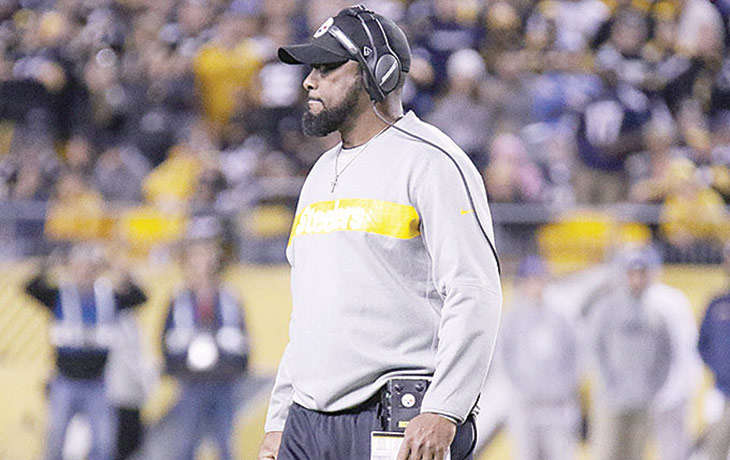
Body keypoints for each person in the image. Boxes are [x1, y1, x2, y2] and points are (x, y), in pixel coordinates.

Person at [258, 5, 502, 460]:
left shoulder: (432, 161)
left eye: (328, 67)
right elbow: (308, 313)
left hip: (393, 417)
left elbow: (474, 290)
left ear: (379, 72)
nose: (309, 81)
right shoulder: (318, 174)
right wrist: (279, 419)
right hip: (307, 422)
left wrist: (446, 407)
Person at [23, 243, 147, 460]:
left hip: (98, 384)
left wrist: (118, 269)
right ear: (71, 268)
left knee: (102, 443)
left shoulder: (108, 297)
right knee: (56, 440)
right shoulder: (60, 296)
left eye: (90, 267)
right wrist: (49, 264)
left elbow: (140, 296)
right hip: (65, 382)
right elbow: (30, 287)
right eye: (79, 266)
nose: (84, 272)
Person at [162, 231, 249, 460]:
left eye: (206, 255)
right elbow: (165, 338)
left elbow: (243, 337)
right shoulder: (179, 299)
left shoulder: (229, 297)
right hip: (191, 382)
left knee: (225, 445)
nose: (202, 263)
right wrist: (177, 368)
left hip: (223, 381)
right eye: (196, 256)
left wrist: (236, 368)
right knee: (185, 444)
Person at [588, 247, 674, 460]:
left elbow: (666, 355)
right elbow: (595, 349)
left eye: (641, 274)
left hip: (643, 400)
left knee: (636, 454)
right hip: (611, 400)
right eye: (632, 273)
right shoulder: (607, 310)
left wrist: (654, 386)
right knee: (607, 452)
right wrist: (608, 383)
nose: (637, 279)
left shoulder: (656, 314)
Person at [500, 256, 580, 460]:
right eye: (530, 280)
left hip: (557, 405)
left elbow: (576, 355)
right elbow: (504, 358)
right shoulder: (512, 318)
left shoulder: (561, 315)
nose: (535, 286)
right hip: (525, 405)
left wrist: (565, 387)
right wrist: (520, 388)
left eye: (539, 279)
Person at [699, 243, 730, 460]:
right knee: (715, 449)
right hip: (721, 390)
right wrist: (720, 369)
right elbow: (703, 344)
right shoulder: (718, 303)